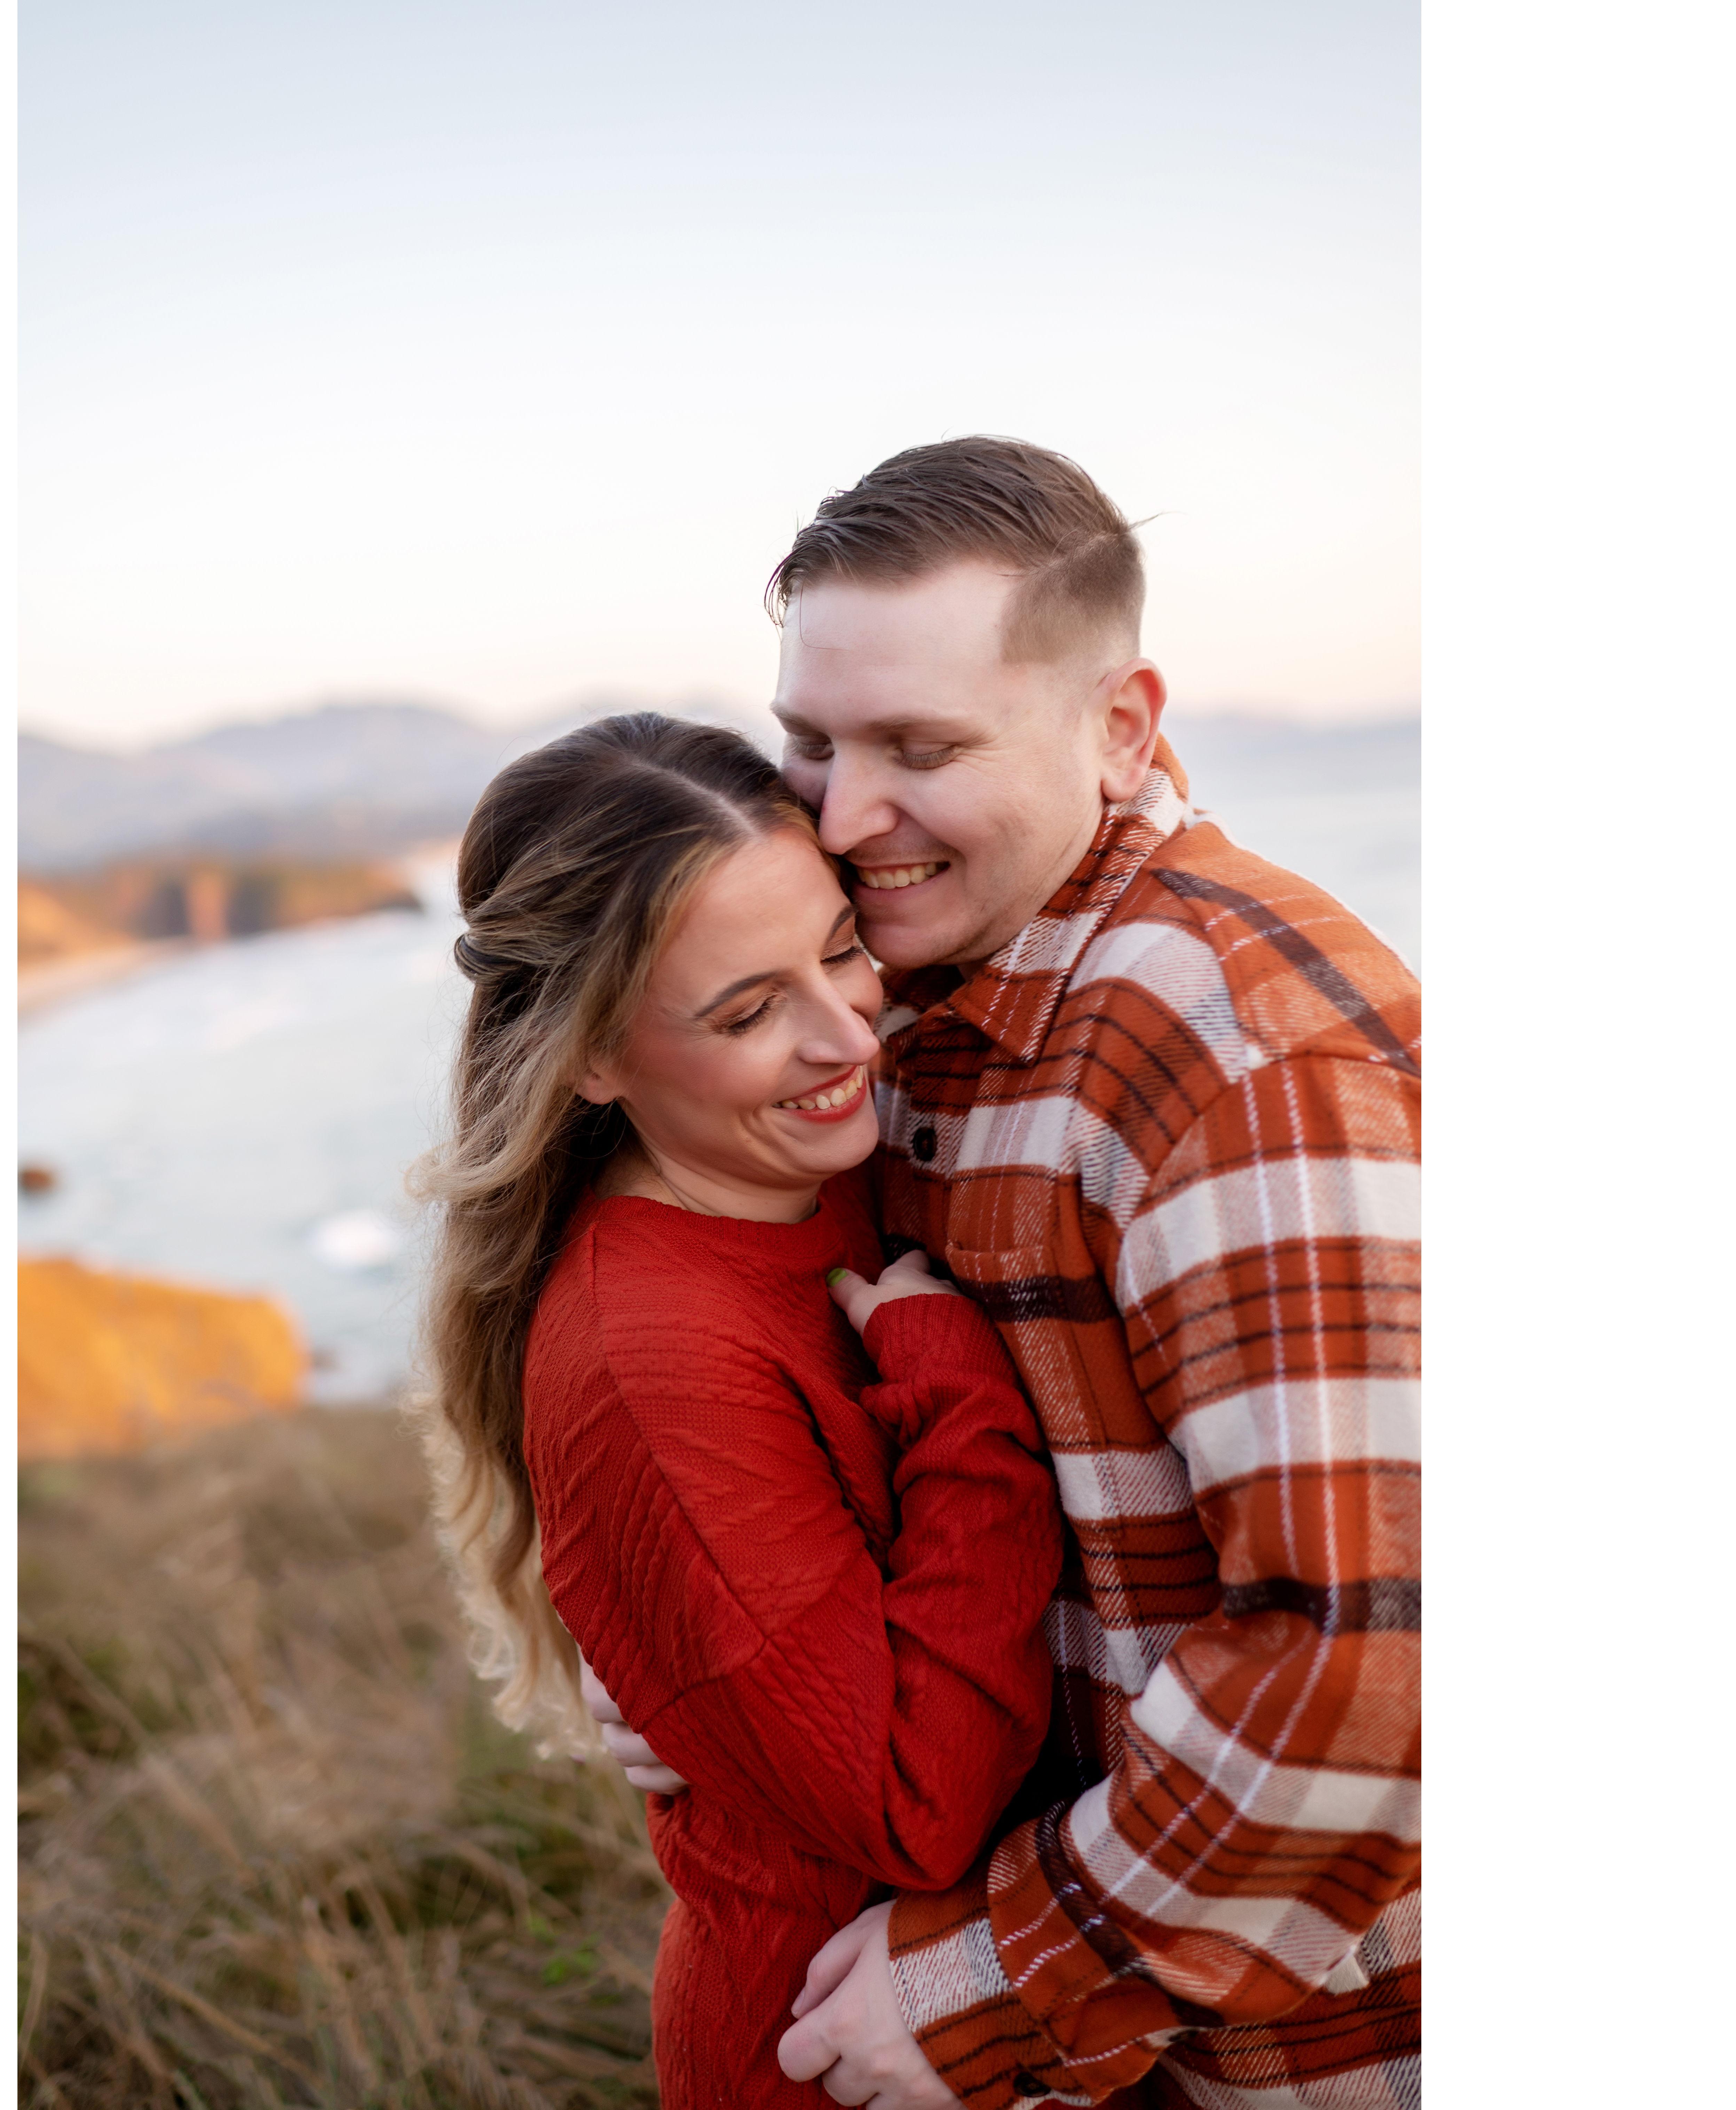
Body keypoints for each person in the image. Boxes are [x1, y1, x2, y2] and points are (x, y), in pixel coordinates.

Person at [589, 440, 1422, 2110]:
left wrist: (999, 1986)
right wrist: (749, 1659)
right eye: (813, 742)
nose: (843, 815)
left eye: (923, 749)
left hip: (1299, 2055)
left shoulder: (1238, 1059)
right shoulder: (908, 1002)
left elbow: (1377, 1657)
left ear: (1121, 729)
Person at [412, 713, 1070, 2110]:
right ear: (593, 1057)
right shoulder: (653, 1367)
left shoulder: (817, 1164)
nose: (847, 1035)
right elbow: (912, 1802)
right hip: (831, 2053)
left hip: (986, 2023)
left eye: (842, 948)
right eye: (748, 1011)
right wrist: (959, 1396)